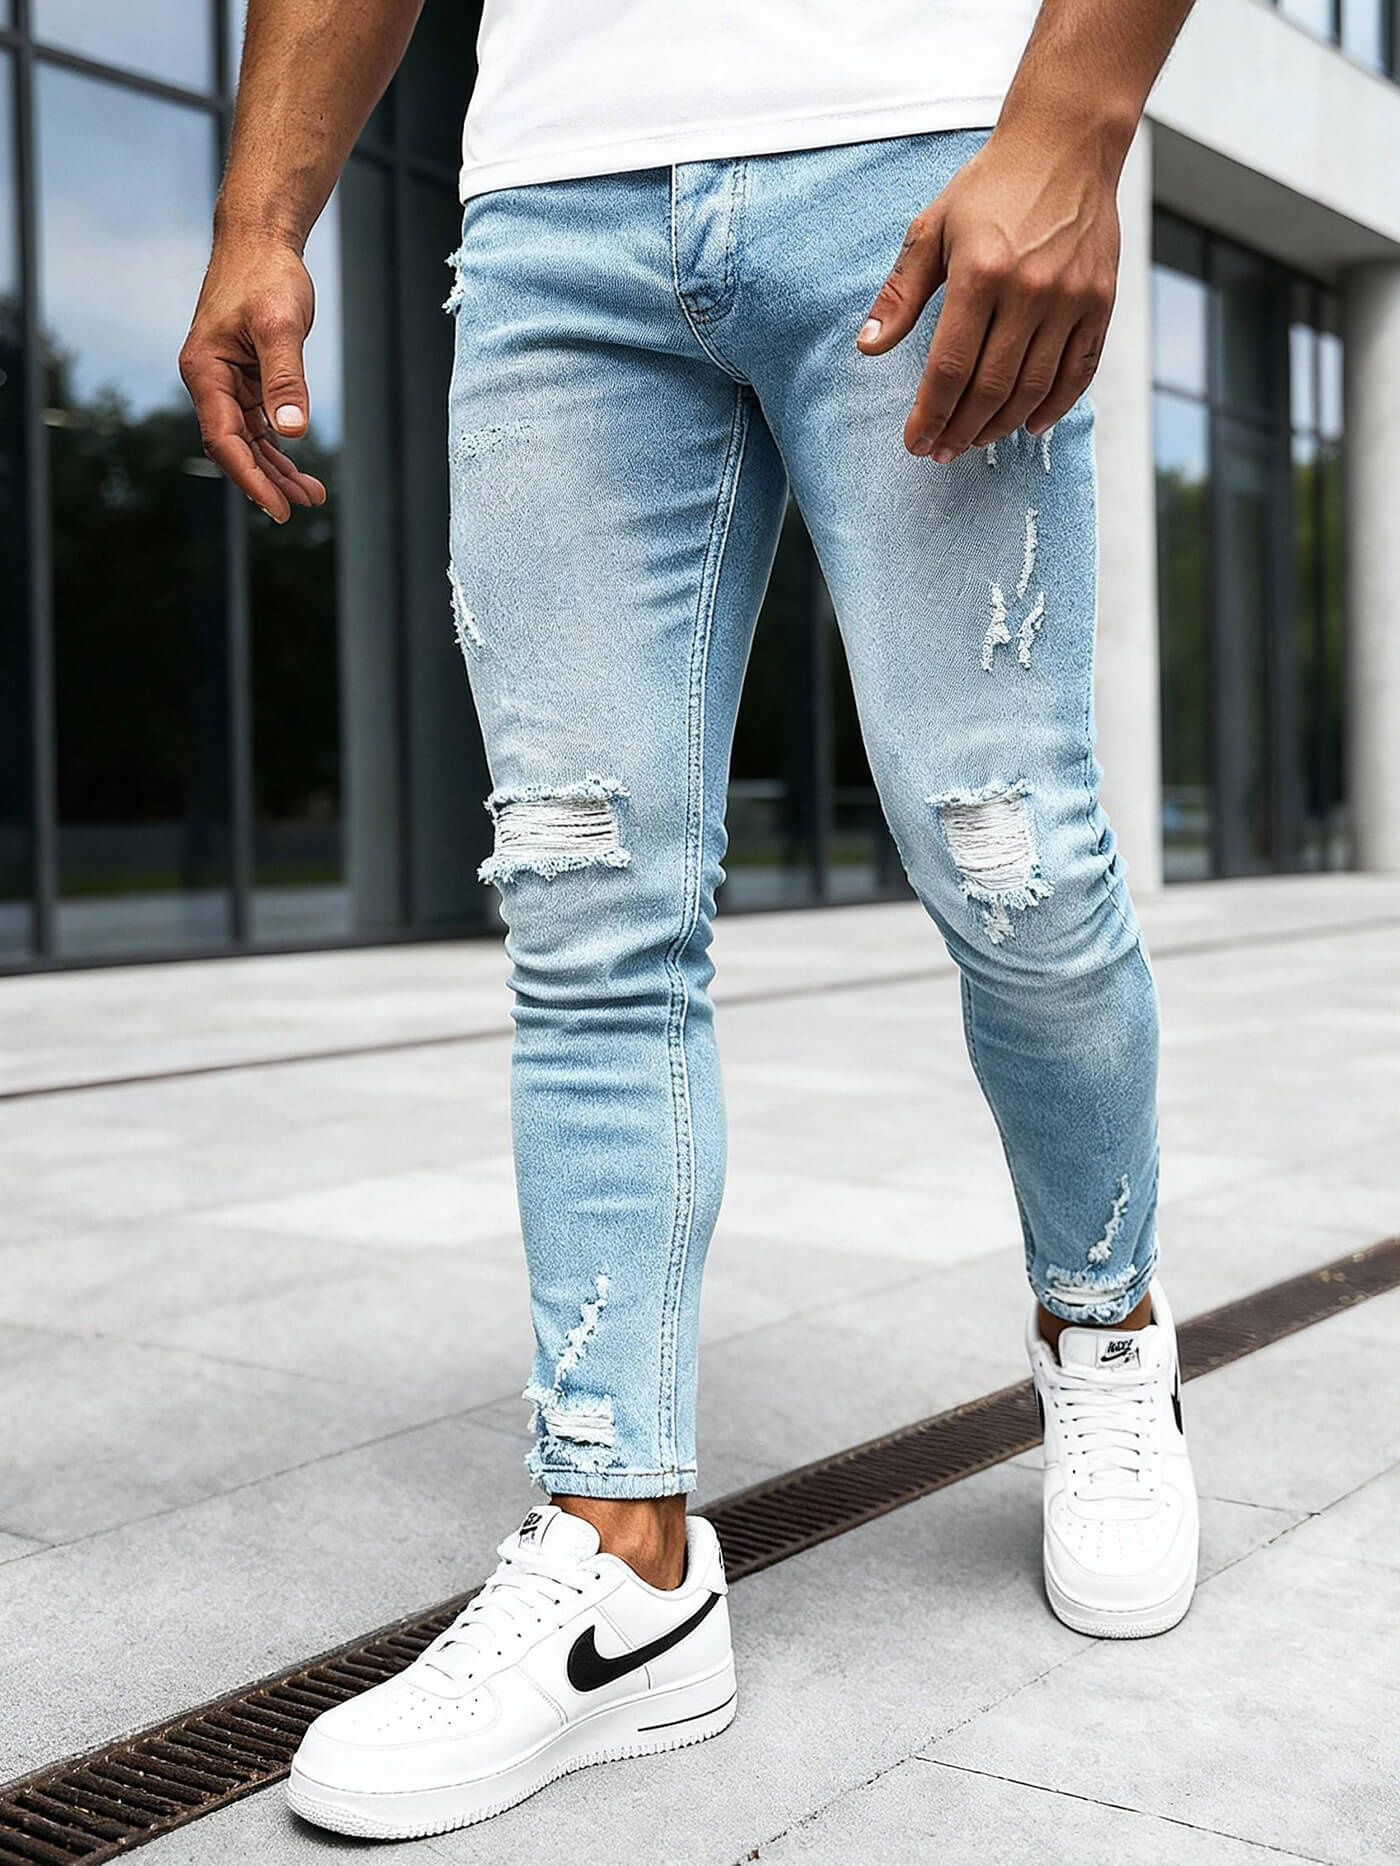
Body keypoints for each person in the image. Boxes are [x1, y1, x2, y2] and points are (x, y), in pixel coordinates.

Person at [181, 0, 1201, 1840]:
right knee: (584, 891)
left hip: (926, 153)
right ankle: (621, 1558)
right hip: (558, 210)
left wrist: (1075, 122)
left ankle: (1106, 1332)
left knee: (1009, 857)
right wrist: (264, 215)